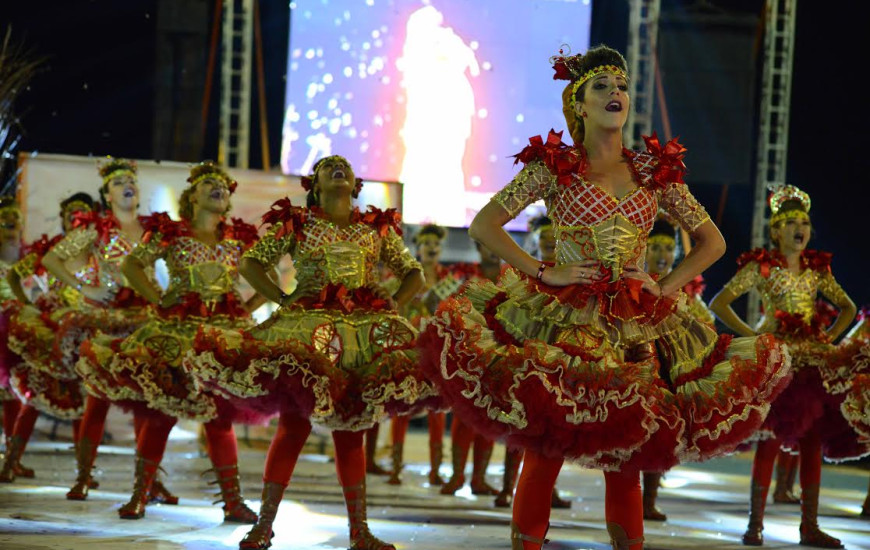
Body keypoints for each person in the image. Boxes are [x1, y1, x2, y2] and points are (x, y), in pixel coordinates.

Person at [419, 45, 791, 550]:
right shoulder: (555, 168)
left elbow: (714, 243)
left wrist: (665, 283)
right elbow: (485, 225)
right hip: (563, 319)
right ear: (579, 103)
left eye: (621, 85)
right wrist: (544, 270)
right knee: (546, 449)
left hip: (636, 323)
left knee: (627, 455)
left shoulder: (654, 173)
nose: (616, 92)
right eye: (602, 86)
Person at [185, 155, 426, 550]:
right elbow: (251, 263)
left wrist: (395, 303)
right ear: (313, 184)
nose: (338, 169)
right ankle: (263, 526)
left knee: (351, 430)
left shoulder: (375, 229)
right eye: (328, 166)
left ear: (355, 183)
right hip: (306, 330)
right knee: (293, 426)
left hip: (362, 337)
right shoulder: (299, 222)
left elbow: (413, 273)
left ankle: (359, 532)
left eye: (344, 167)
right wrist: (281, 299)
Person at [75, 162, 262, 521]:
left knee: (218, 419)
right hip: (175, 334)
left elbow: (266, 275)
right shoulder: (171, 233)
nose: (218, 188)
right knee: (162, 414)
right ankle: (139, 495)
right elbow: (132, 266)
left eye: (223, 185)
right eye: (209, 183)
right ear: (192, 196)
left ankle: (233, 502)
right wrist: (157, 297)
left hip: (222, 334)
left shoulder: (239, 237)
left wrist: (248, 306)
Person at [709, 183, 865, 548]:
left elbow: (848, 308)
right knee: (770, 438)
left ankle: (808, 526)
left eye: (806, 223)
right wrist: (754, 335)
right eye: (792, 222)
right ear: (776, 231)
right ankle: (754, 525)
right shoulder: (761, 267)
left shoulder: (817, 269)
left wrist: (830, 337)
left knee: (812, 439)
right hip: (776, 357)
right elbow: (720, 303)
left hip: (810, 358)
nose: (801, 228)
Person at [40, 158, 158, 501]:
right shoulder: (97, 228)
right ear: (107, 195)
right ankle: (84, 476)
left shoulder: (155, 229)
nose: (127, 184)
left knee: (147, 400)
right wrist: (86, 289)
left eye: (131, 179)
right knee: (98, 400)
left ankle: (147, 482)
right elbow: (51, 260)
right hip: (106, 322)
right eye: (118, 181)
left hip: (145, 322)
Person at [0, 194, 94, 482]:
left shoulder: (98, 252)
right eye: (71, 214)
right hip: (51, 333)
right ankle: (10, 464)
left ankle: (83, 476)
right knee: (35, 398)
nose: (76, 219)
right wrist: (27, 305)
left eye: (83, 214)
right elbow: (16, 275)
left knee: (85, 403)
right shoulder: (50, 251)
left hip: (85, 334)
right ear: (63, 219)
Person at [386, 224, 457, 486]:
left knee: (437, 412)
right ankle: (395, 467)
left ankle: (436, 469)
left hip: (436, 354)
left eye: (435, 245)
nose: (431, 248)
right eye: (426, 244)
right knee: (402, 409)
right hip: (408, 350)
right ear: (418, 248)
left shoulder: (450, 282)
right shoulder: (404, 280)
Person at [0, 196, 33, 480]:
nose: (10, 228)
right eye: (4, 223)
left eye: (15, 223)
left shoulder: (29, 261)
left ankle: (12, 460)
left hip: (18, 337)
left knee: (16, 399)